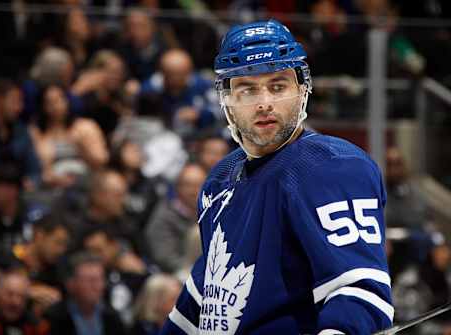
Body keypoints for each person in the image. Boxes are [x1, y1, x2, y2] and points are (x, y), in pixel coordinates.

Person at [160, 19, 393, 334]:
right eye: (247, 89)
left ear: (302, 90)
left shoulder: (333, 167)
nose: (264, 102)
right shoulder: (220, 178)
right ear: (226, 100)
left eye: (278, 85)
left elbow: (359, 291)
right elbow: (206, 295)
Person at [44, 252, 126, 335]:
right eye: (89, 280)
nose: (96, 286)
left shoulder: (112, 317)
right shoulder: (54, 318)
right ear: (71, 284)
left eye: (99, 279)